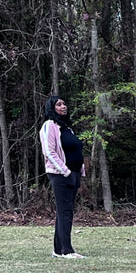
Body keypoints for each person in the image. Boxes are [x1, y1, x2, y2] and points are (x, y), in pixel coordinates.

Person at [40, 95, 87, 258]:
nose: (63, 106)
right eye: (59, 104)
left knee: (64, 212)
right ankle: (67, 251)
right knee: (65, 211)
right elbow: (49, 151)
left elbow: (76, 150)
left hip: (73, 175)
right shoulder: (49, 126)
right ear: (52, 108)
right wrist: (64, 171)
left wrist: (80, 170)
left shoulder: (67, 128)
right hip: (60, 175)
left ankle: (58, 250)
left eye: (64, 103)